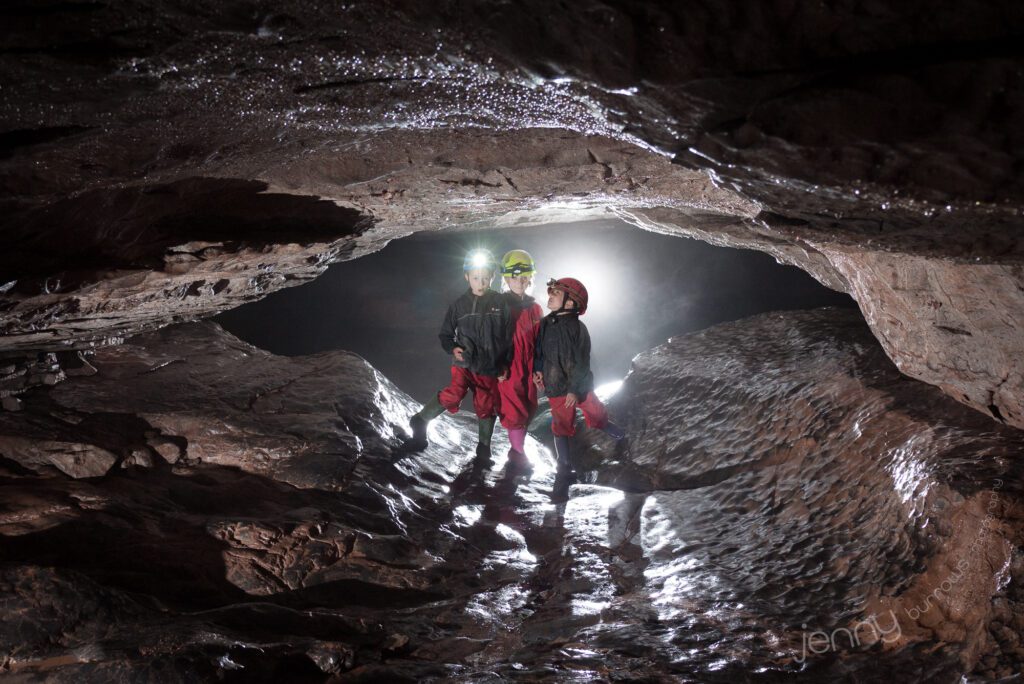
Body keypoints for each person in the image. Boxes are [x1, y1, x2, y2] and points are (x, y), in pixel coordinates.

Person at [403, 249, 513, 460]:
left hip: (490, 366)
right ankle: (420, 420)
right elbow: (445, 334)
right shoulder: (459, 305)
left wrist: (504, 364)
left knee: (486, 404)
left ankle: (483, 448)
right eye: (475, 278)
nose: (480, 282)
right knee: (454, 393)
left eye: (484, 277)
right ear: (466, 277)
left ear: (492, 277)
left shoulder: (501, 303)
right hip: (464, 363)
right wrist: (453, 347)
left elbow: (508, 338)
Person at [533, 277, 625, 481]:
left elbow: (582, 361)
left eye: (556, 293)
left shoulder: (578, 329)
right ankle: (563, 463)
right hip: (555, 386)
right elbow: (538, 351)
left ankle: (613, 431)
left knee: (595, 411)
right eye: (551, 292)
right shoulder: (545, 324)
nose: (550, 296)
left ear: (570, 302)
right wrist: (537, 370)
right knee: (561, 424)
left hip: (580, 386)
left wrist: (575, 389)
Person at [497, 249, 544, 468]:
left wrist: (539, 368)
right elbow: (491, 338)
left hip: (529, 366)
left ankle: (517, 448)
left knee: (530, 405)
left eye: (525, 276)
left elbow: (540, 341)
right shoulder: (499, 305)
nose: (520, 281)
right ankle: (517, 453)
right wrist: (498, 364)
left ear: (530, 278)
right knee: (514, 409)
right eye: (515, 276)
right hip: (509, 366)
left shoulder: (535, 309)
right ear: (506, 278)